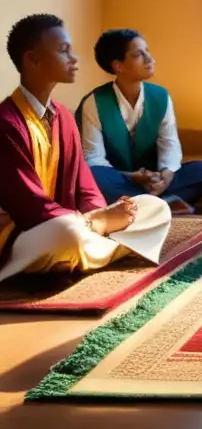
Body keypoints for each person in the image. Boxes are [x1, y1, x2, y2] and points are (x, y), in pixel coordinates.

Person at [0, 15, 171, 283]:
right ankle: (92, 249)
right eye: (64, 50)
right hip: (21, 236)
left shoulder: (64, 117)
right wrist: (96, 222)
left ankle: (77, 254)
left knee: (155, 208)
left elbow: (85, 184)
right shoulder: (6, 122)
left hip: (73, 224)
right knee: (67, 231)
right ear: (33, 59)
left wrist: (101, 211)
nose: (75, 58)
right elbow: (29, 207)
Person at [76, 29, 202, 214]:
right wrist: (133, 176)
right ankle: (161, 204)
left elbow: (169, 145)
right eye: (138, 55)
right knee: (93, 176)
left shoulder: (160, 96)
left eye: (147, 51)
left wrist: (166, 176)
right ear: (118, 65)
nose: (149, 59)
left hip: (155, 181)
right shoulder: (95, 102)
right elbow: (93, 157)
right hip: (119, 178)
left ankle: (140, 206)